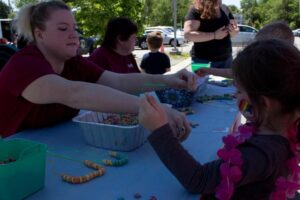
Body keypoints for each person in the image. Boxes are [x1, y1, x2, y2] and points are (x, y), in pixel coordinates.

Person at [0, 1, 198, 138]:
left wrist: (168, 80)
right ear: (39, 34)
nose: (73, 35)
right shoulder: (24, 65)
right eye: (63, 29)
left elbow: (119, 81)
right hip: (17, 156)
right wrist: (153, 109)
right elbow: (74, 94)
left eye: (74, 28)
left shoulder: (73, 62)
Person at [139, 39, 300, 199]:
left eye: (239, 91)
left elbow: (198, 180)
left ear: (263, 104)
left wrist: (159, 130)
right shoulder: (283, 130)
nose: (234, 95)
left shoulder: (258, 155)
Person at [196, 20, 294, 78]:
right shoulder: (257, 64)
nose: (255, 51)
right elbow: (234, 72)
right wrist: (208, 70)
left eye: (260, 50)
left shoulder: (283, 78)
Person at [184, 0, 239, 69]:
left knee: (228, 80)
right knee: (201, 80)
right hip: (203, 60)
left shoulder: (225, 8)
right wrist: (214, 35)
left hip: (226, 60)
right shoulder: (197, 9)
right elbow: (188, 35)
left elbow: (236, 28)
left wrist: (233, 32)